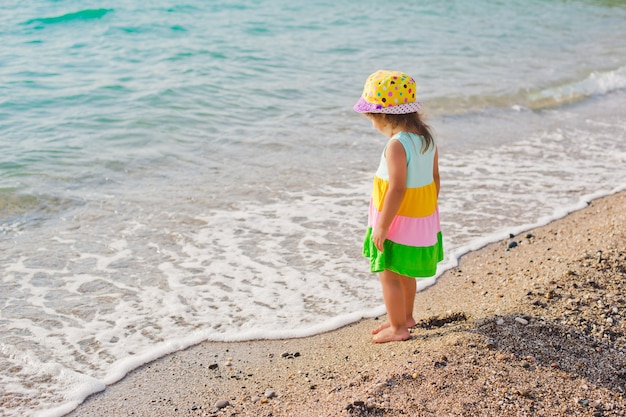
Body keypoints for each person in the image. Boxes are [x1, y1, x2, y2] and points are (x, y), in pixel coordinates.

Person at [353, 70, 444, 343]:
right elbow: (435, 177)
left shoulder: (396, 145)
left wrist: (382, 225)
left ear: (385, 116)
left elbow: (397, 187)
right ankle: (405, 317)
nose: (372, 125)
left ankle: (397, 328)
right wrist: (427, 208)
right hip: (418, 216)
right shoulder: (427, 138)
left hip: (396, 218)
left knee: (388, 272)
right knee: (405, 272)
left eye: (372, 118)